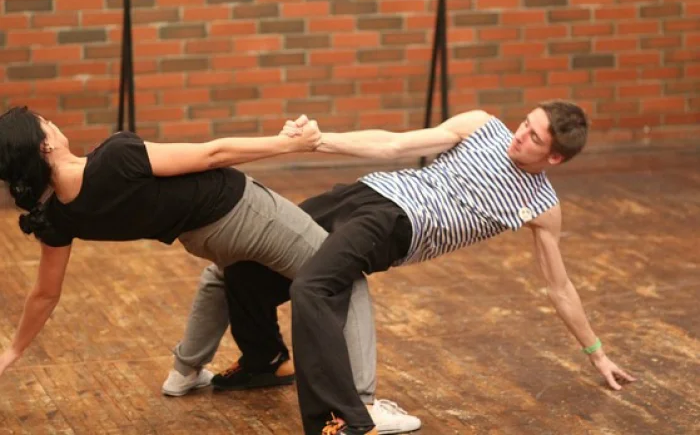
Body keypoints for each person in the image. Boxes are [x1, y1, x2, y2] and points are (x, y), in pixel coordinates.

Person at [217, 101, 636, 435]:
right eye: (525, 123)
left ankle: (344, 419)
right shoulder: (482, 126)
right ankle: (264, 360)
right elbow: (395, 145)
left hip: (397, 226)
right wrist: (317, 141)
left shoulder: (541, 206)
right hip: (367, 191)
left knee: (312, 288)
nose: (520, 135)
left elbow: (560, 288)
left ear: (555, 157)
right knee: (246, 263)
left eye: (534, 137)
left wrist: (596, 354)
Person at [0, 106, 364, 389]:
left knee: (221, 278)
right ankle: (363, 404)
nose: (52, 123)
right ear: (44, 145)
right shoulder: (115, 157)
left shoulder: (57, 217)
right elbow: (212, 154)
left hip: (203, 238)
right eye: (45, 123)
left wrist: (12, 351)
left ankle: (185, 371)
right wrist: (289, 144)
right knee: (339, 275)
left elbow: (45, 294)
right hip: (244, 212)